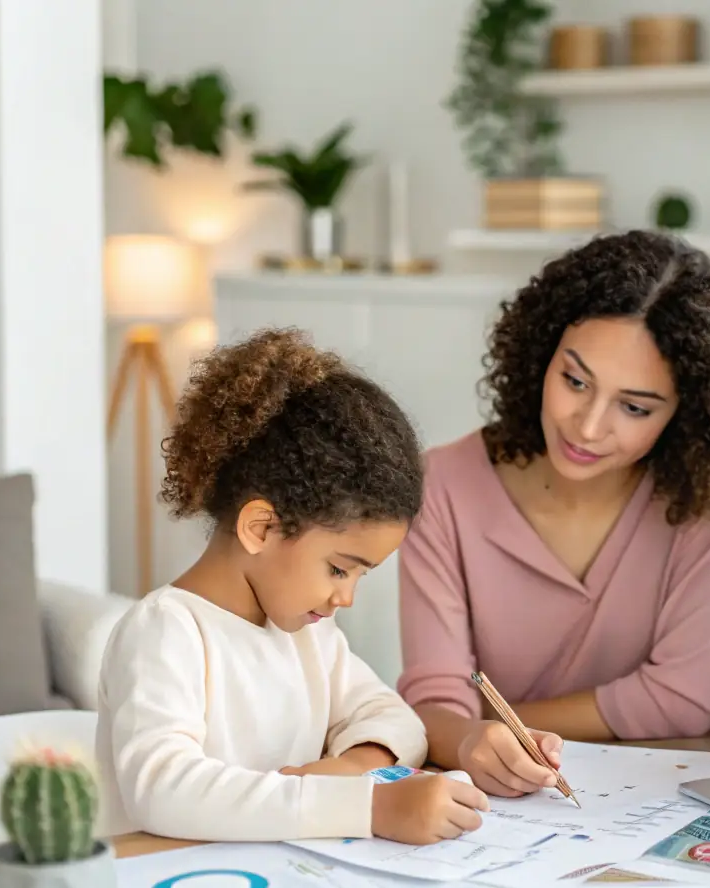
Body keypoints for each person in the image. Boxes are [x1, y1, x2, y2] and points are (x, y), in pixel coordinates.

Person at [396, 230, 710, 798]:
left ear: (685, 414)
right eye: (574, 381)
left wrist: (488, 726)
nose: (588, 427)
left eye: (635, 407)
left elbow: (685, 698)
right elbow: (436, 699)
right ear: (541, 354)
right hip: (503, 809)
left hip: (659, 798)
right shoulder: (443, 485)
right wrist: (469, 739)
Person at [96, 329, 488, 844]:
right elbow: (163, 789)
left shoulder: (309, 636)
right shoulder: (165, 632)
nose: (345, 597)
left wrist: (356, 768)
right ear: (261, 528)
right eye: (338, 569)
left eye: (359, 576)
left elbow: (397, 720)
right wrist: (363, 807)